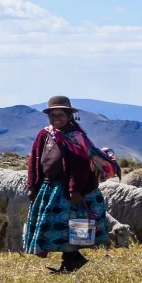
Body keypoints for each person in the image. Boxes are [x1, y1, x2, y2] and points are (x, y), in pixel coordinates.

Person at [24, 96, 120, 272]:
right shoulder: (44, 134)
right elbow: (34, 160)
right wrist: (32, 185)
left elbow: (80, 166)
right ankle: (72, 261)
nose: (56, 119)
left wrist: (75, 190)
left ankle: (69, 264)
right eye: (52, 115)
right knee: (59, 228)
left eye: (60, 115)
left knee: (71, 227)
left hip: (69, 190)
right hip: (49, 188)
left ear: (69, 116)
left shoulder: (76, 138)